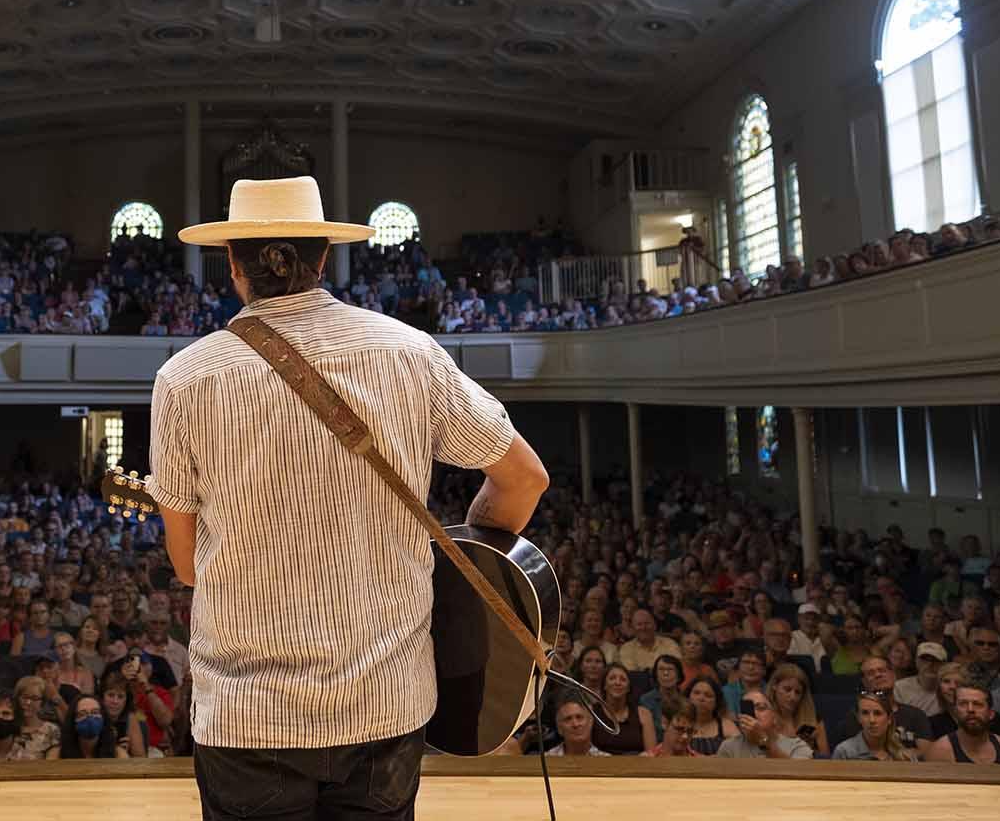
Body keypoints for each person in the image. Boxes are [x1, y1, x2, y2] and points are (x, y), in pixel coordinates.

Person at [147, 176, 548, 819]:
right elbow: (525, 477)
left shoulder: (185, 378)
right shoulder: (409, 353)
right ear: (324, 257)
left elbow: (189, 567)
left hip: (247, 716)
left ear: (232, 264)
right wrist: (467, 560)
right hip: (383, 701)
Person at [925, 683, 1000, 765]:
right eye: (963, 704)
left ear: (991, 714)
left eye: (977, 704)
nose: (970, 709)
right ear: (954, 711)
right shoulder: (939, 752)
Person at [716, 687, 813, 759]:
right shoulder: (729, 746)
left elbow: (797, 775)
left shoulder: (797, 746)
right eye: (747, 709)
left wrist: (763, 740)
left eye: (761, 708)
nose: (754, 713)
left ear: (774, 717)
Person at [592, 663, 654, 755]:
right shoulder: (591, 712)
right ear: (604, 685)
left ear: (628, 688)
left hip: (636, 766)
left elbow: (651, 753)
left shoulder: (643, 714)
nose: (617, 683)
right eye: (612, 678)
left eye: (623, 679)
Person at [60, 694, 126, 759]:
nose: (89, 717)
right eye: (82, 714)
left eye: (95, 712)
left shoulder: (118, 754)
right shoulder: (57, 754)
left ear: (103, 718)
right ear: (73, 721)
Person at [683, 678, 738, 755]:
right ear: (688, 697)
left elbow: (739, 754)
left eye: (708, 695)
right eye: (696, 693)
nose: (701, 698)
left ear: (716, 702)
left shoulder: (727, 726)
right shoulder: (679, 723)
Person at [542, 696, 610, 757]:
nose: (575, 724)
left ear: (590, 722)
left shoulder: (608, 761)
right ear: (559, 728)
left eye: (579, 717)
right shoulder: (545, 760)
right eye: (568, 719)